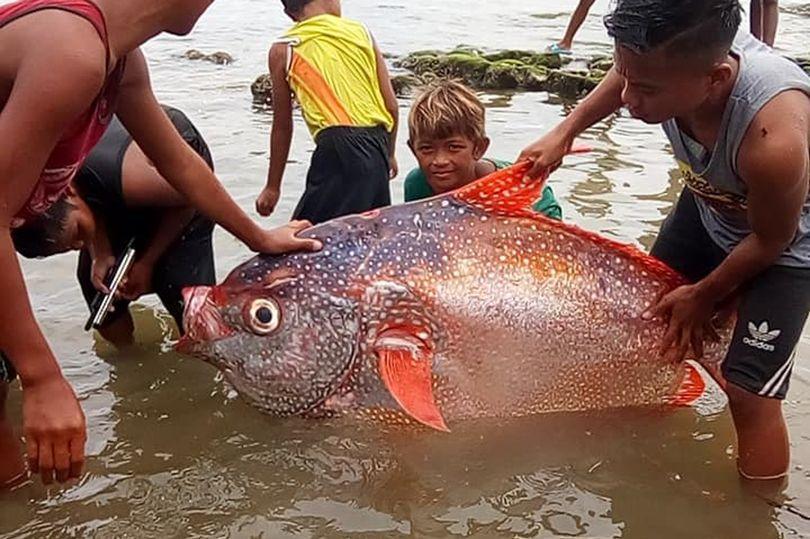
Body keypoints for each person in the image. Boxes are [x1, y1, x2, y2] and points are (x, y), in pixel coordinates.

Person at [0, 0, 319, 487]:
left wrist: (258, 236)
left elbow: (180, 164)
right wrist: (42, 377)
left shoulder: (118, 59)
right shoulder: (72, 52)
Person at [520, 0, 810, 481]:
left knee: (750, 393)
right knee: (648, 323)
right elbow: (631, 74)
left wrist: (703, 295)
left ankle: (758, 512)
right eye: (625, 76)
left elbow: (772, 239)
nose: (630, 99)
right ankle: (651, 455)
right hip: (706, 205)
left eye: (647, 90)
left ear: (714, 80)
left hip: (784, 243)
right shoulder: (671, 54)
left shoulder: (773, 139)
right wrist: (565, 132)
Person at [11, 106, 216, 347]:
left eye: (77, 234)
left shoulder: (130, 179)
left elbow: (197, 195)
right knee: (97, 285)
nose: (80, 245)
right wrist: (100, 252)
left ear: (68, 192)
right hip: (107, 190)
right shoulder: (38, 181)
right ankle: (128, 358)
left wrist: (148, 262)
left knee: (187, 301)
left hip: (183, 179)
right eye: (70, 248)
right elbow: (81, 212)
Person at [255, 0, 399, 224]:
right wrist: (389, 154)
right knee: (368, 236)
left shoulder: (285, 48)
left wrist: (272, 187)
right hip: (377, 144)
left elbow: (282, 126)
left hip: (338, 149)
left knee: (305, 237)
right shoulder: (362, 34)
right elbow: (391, 106)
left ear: (290, 13)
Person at [405, 81, 562, 219]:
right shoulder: (417, 185)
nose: (440, 161)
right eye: (426, 149)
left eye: (454, 147)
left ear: (479, 148)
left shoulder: (536, 199)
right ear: (413, 150)